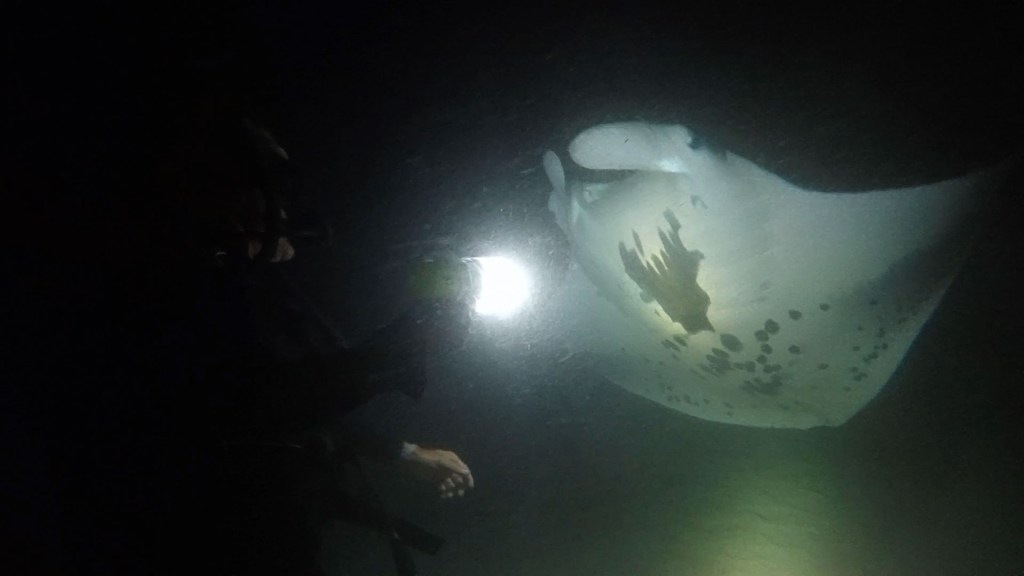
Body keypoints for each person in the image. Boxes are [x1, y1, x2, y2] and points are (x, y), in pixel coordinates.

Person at [52, 109, 477, 575]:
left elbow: (292, 401)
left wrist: (404, 452)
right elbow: (257, 404)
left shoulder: (211, 281)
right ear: (216, 189)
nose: (286, 207)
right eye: (272, 181)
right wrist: (405, 344)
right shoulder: (159, 286)